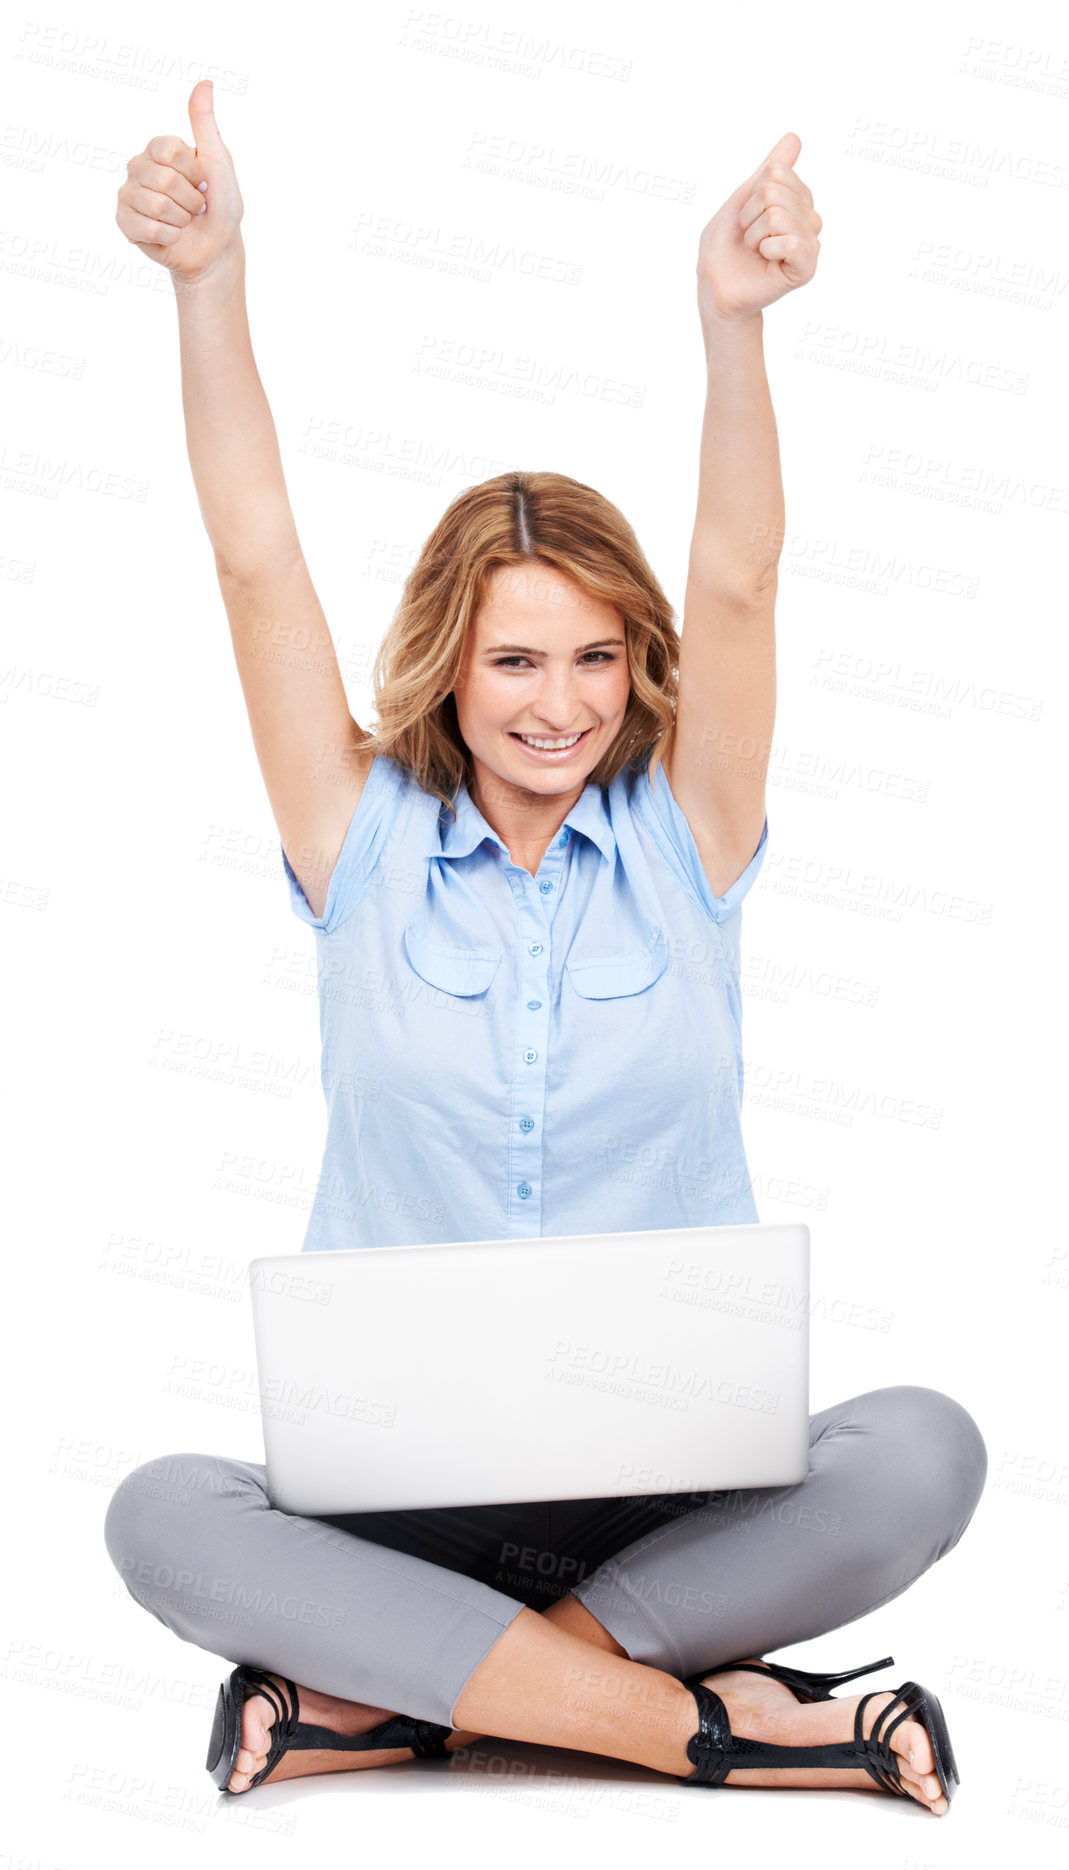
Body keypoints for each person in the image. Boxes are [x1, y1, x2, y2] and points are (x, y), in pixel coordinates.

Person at [105, 86, 987, 1813]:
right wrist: (209, 282)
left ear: (634, 666)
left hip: (671, 1503)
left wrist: (731, 329)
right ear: (447, 665)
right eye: (516, 663)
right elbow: (253, 556)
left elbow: (739, 578)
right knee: (160, 1509)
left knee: (922, 1450)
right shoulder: (357, 839)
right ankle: (706, 1726)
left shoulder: (687, 835)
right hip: (399, 1503)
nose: (560, 705)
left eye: (595, 660)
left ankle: (413, 1697)